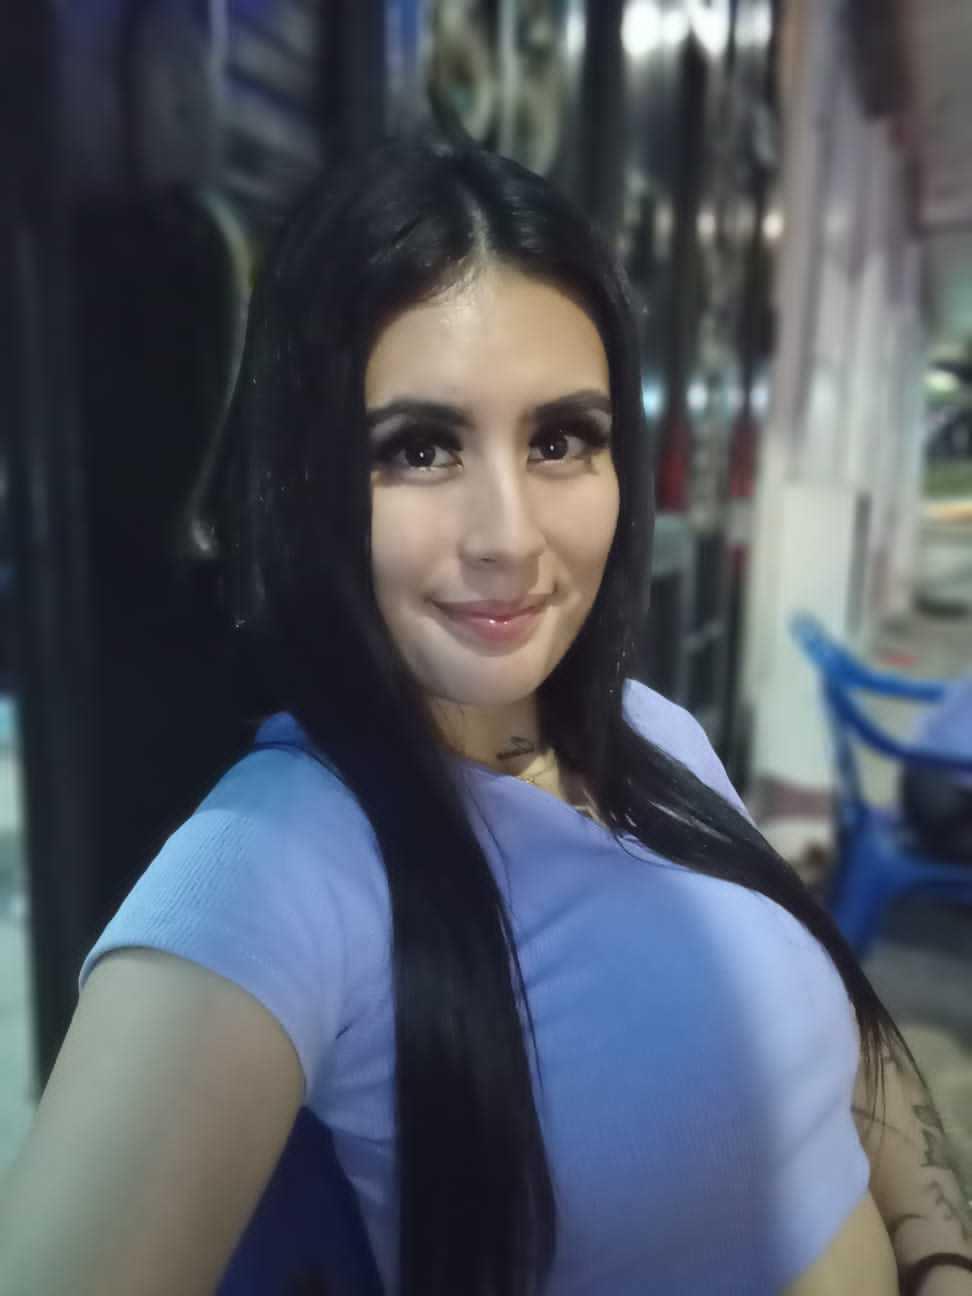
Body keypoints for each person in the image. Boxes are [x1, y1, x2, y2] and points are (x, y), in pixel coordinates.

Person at [1, 135, 971, 1296]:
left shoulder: (657, 735)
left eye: (561, 440)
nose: (508, 537)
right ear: (305, 480)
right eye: (420, 449)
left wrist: (942, 1254)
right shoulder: (279, 867)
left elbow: (852, 1043)